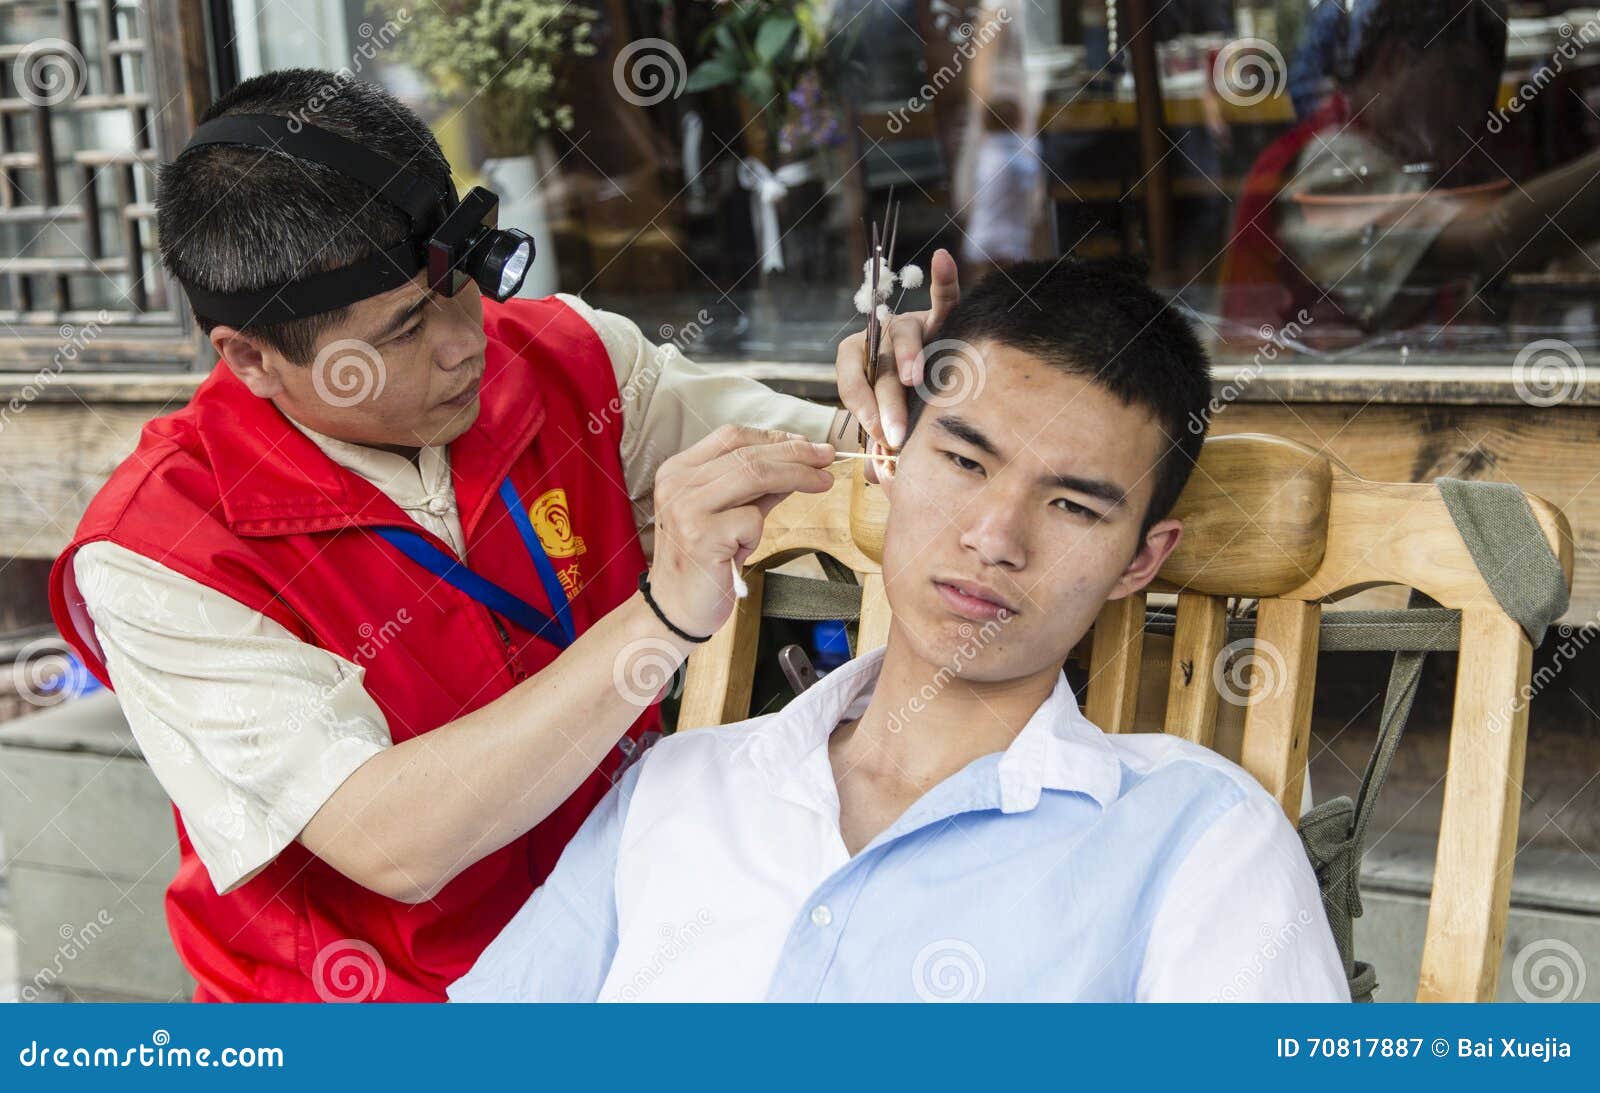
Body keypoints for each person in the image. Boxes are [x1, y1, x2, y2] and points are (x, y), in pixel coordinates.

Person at [45, 68, 949, 1002]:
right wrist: (660, 621)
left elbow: (821, 449)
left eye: (463, 284)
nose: (465, 340)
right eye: (402, 329)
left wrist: (916, 405)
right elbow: (393, 842)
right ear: (251, 356)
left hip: (626, 961)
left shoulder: (570, 363)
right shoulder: (159, 551)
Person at [447, 258, 1350, 1003]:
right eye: (962, 460)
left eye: (1073, 505)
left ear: (1139, 562)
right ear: (886, 459)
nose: (996, 538)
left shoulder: (1197, 838)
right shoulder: (681, 790)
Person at [1221, 0, 1600, 339]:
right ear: (1394, 62)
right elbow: (1489, 236)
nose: (1476, 109)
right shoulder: (1333, 161)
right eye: (1463, 79)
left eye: (1486, 88)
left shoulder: (1404, 152)